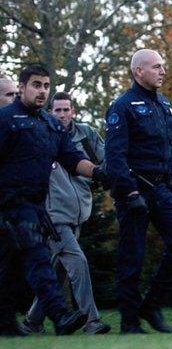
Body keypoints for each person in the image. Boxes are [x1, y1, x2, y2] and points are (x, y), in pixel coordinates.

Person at [0, 64, 108, 336]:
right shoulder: (6, 120)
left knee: (11, 267)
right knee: (38, 258)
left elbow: (72, 158)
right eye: (36, 85)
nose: (42, 91)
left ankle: (7, 324)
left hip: (36, 205)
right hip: (11, 203)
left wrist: (98, 172)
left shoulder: (49, 125)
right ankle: (60, 316)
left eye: (46, 86)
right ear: (22, 88)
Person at [104, 49, 172, 334]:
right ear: (138, 71)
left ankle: (151, 305)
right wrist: (129, 194)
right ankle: (130, 321)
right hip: (135, 188)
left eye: (163, 66)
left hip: (163, 186)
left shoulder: (164, 104)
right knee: (133, 256)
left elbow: (167, 151)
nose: (163, 71)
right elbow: (115, 157)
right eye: (156, 67)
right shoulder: (122, 106)